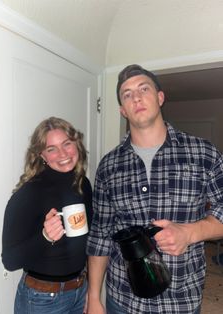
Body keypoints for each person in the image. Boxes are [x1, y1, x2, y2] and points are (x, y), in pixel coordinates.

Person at [86, 64, 223, 314]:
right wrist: (94, 296)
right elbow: (100, 234)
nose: (136, 97)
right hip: (123, 299)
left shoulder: (203, 153)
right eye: (127, 94)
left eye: (143, 89)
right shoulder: (108, 166)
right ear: (122, 111)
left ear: (160, 98)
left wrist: (191, 232)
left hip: (181, 299)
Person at [2, 116, 93, 314]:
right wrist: (45, 237)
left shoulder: (83, 185)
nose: (63, 154)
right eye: (51, 149)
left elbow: (87, 242)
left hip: (78, 291)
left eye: (67, 144)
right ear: (42, 155)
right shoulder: (29, 193)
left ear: (76, 143)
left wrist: (89, 291)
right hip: (42, 300)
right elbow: (9, 261)